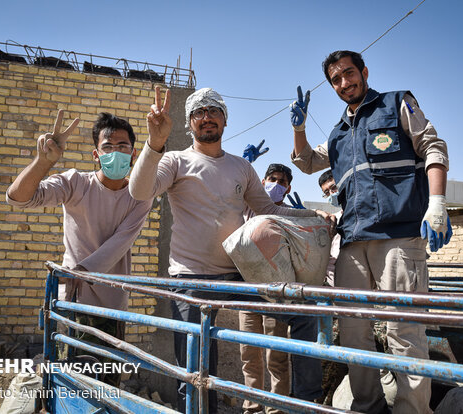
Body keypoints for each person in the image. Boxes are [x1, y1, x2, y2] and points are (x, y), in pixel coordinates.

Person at [129, 86, 334, 413]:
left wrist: (313, 214)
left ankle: (305, 402)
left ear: (225, 120)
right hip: (191, 281)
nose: (206, 117)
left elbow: (271, 209)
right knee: (195, 372)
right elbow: (139, 191)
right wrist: (154, 144)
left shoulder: (241, 167)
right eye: (199, 112)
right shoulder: (176, 161)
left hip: (237, 276)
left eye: (213, 111)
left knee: (303, 311)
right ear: (189, 123)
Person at [289, 50, 452, 414]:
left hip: (398, 236)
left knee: (404, 330)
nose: (345, 82)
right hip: (352, 242)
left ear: (363, 72)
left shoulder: (397, 104)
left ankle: (412, 410)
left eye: (349, 73)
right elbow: (305, 162)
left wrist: (437, 204)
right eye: (336, 79)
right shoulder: (337, 135)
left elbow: (433, 146)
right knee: (352, 332)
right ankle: (368, 406)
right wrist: (298, 128)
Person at [6, 111, 153, 387]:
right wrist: (42, 162)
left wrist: (77, 273)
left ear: (134, 155)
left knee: (107, 386)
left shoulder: (139, 196)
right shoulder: (75, 183)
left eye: (123, 147)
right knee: (71, 384)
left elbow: (119, 243)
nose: (116, 153)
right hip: (73, 304)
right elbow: (18, 198)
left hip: (112, 308)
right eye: (108, 147)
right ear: (96, 155)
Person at [240, 163, 294, 414]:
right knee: (249, 353)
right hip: (247, 290)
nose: (276, 184)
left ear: (288, 188)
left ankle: (276, 409)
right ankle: (252, 407)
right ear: (262, 182)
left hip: (275, 292)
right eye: (272, 179)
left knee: (277, 356)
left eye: (282, 182)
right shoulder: (247, 206)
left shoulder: (290, 215)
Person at [318, 169, 342, 287]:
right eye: (327, 192)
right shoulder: (334, 219)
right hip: (332, 273)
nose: (332, 194)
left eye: (334, 188)